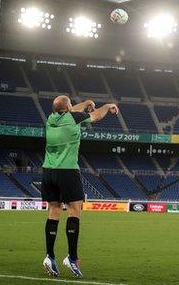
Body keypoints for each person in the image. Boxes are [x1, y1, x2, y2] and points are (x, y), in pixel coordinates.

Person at [41, 96, 119, 278]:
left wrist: (86, 102)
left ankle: (49, 256)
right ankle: (72, 258)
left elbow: (71, 110)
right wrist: (107, 106)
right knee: (75, 211)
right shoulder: (73, 117)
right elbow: (96, 116)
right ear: (67, 107)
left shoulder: (51, 118)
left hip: (48, 171)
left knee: (53, 212)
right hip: (67, 171)